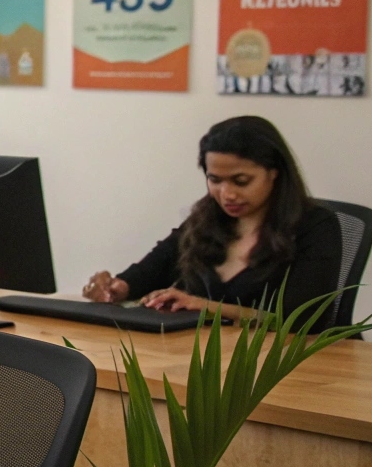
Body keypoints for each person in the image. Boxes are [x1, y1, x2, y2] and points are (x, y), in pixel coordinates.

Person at [83, 116, 342, 321]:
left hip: (288, 365)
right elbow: (149, 271)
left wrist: (205, 307)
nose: (226, 194)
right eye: (214, 180)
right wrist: (116, 288)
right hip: (206, 359)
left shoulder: (315, 226)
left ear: (274, 173)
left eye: (241, 181)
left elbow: (300, 320)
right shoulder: (206, 219)